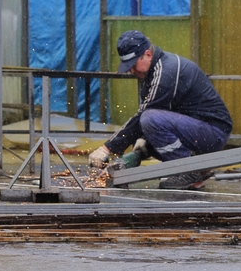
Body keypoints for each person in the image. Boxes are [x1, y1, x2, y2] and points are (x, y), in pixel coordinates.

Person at [88, 30, 233, 190]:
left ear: (148, 54)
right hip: (198, 129)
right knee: (149, 131)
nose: (132, 71)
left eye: (134, 65)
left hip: (213, 132)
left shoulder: (166, 72)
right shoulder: (150, 72)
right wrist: (143, 140)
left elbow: (144, 116)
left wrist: (107, 148)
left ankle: (188, 172)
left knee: (149, 119)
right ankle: (198, 170)